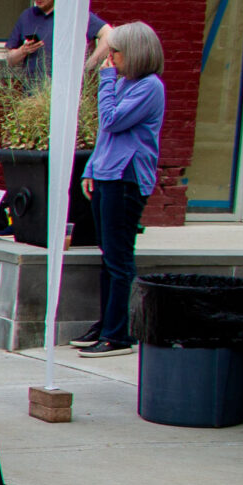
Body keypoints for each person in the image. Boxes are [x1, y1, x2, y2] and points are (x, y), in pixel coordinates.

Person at [77, 21, 167, 356]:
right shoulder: (126, 82)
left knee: (118, 257)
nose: (110, 57)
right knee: (108, 254)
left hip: (126, 179)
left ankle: (118, 334)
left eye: (116, 52)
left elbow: (111, 120)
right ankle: (106, 324)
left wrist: (105, 79)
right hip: (107, 174)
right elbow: (107, 136)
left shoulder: (149, 87)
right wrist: (91, 167)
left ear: (135, 53)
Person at [5, 0, 108, 85]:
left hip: (65, 91)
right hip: (33, 95)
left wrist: (87, 66)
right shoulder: (26, 16)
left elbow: (108, 34)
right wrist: (23, 51)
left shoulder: (72, 14)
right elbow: (10, 60)